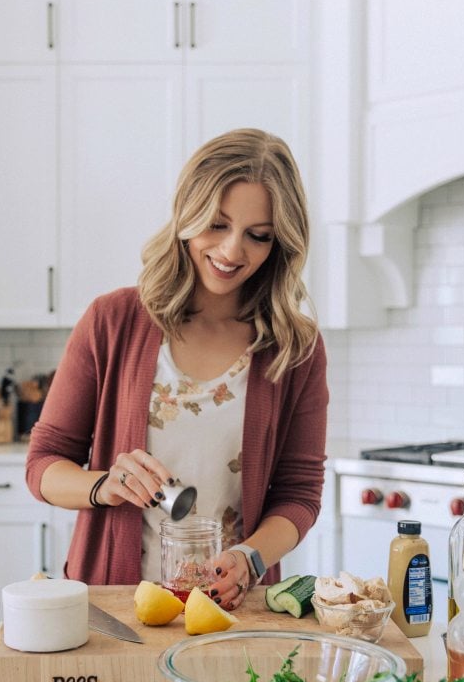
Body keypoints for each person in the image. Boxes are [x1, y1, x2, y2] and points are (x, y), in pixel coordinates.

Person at [26, 127, 328, 611]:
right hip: (114, 604)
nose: (232, 251)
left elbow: (299, 494)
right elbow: (43, 465)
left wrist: (251, 558)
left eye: (258, 236)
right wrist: (105, 486)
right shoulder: (112, 321)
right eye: (216, 224)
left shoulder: (295, 348)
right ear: (187, 214)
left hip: (231, 611)